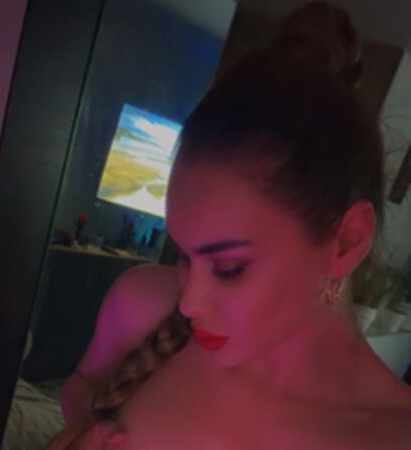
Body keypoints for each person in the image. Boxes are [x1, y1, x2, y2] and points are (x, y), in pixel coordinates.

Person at [47, 2, 411, 449]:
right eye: (184, 255)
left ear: (347, 242)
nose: (189, 303)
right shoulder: (142, 304)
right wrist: (85, 431)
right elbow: (83, 384)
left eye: (230, 268)